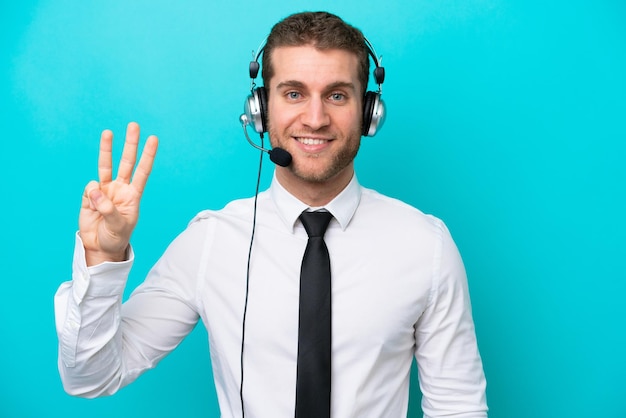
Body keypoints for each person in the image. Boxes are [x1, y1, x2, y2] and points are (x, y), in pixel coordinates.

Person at [55, 11, 488, 418]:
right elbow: (91, 377)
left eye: (337, 95)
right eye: (294, 93)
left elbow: (459, 406)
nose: (315, 119)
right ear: (261, 109)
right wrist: (102, 258)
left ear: (369, 113)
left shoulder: (425, 244)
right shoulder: (212, 241)